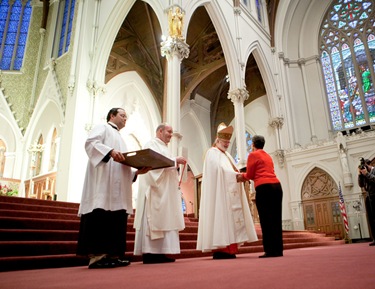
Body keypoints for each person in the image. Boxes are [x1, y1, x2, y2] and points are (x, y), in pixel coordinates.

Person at [76, 108, 149, 269]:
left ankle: (112, 255)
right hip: (102, 184)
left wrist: (136, 172)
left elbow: (122, 166)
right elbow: (91, 144)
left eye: (126, 117)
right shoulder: (103, 128)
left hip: (117, 189)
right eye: (122, 115)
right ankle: (97, 257)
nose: (125, 119)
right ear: (112, 116)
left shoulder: (121, 139)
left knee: (116, 218)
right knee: (101, 215)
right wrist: (109, 151)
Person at [196, 123, 258, 259]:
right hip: (219, 195)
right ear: (217, 140)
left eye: (228, 142)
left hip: (229, 193)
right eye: (225, 141)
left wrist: (239, 174)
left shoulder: (227, 155)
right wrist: (236, 176)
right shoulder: (211, 153)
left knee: (229, 221)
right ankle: (221, 249)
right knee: (221, 219)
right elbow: (218, 171)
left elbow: (231, 169)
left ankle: (230, 248)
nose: (227, 144)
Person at [133, 123, 187, 264]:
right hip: (155, 191)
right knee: (155, 219)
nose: (171, 134)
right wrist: (175, 161)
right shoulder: (151, 144)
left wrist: (174, 165)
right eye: (169, 132)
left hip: (165, 192)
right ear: (160, 131)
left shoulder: (164, 148)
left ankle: (161, 252)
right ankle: (151, 253)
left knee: (165, 218)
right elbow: (154, 164)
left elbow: (167, 165)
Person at [237, 135, 283, 258]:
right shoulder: (268, 156)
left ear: (253, 144)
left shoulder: (253, 155)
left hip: (264, 188)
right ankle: (278, 250)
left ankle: (269, 250)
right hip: (277, 187)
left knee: (266, 220)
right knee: (276, 219)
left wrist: (241, 176)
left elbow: (250, 174)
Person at [358, 158, 375, 246]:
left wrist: (367, 174)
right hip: (369, 197)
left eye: (365, 166)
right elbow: (361, 185)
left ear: (368, 165)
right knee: (372, 219)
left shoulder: (374, 171)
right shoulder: (363, 174)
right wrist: (360, 175)